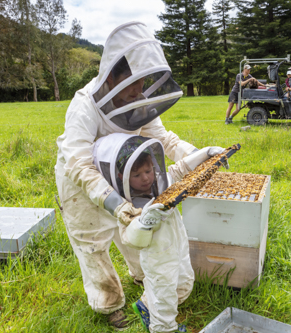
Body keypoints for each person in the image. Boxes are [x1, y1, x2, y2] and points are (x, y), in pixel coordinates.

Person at [55, 21, 225, 330]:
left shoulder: (138, 100)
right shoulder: (84, 107)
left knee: (138, 229)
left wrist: (200, 155)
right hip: (80, 182)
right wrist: (115, 204)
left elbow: (165, 141)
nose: (138, 90)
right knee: (92, 243)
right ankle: (109, 304)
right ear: (112, 77)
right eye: (132, 82)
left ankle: (145, 278)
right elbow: (78, 165)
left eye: (142, 82)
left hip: (128, 173)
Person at [93, 133, 224, 333]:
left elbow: (180, 169)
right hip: (157, 260)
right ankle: (163, 328)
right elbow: (131, 239)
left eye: (148, 171)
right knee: (163, 295)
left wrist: (206, 154)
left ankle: (146, 304)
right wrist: (144, 223)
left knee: (183, 283)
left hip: (178, 245)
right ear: (122, 177)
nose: (145, 178)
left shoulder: (160, 182)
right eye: (137, 175)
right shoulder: (126, 207)